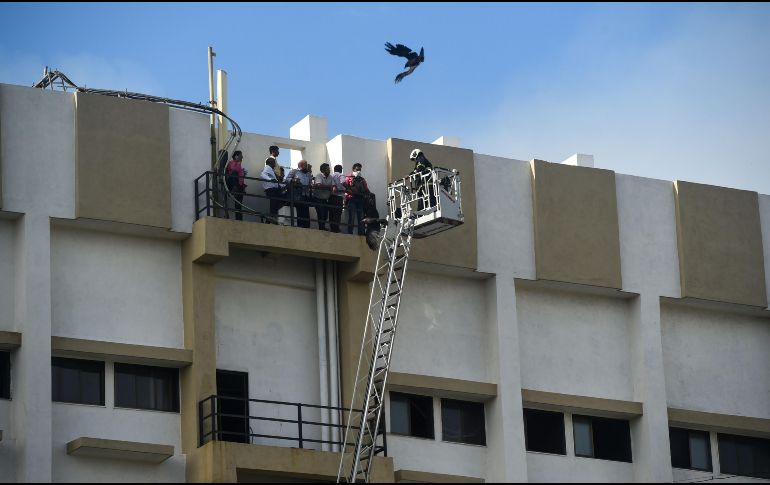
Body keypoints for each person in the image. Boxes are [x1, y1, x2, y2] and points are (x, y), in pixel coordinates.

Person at [283, 160, 314, 228]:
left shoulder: (308, 174)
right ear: (300, 165)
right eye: (305, 165)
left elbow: (310, 183)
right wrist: (294, 180)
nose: (307, 166)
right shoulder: (294, 171)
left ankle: (306, 227)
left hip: (306, 195)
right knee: (299, 212)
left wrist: (311, 186)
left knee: (306, 212)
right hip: (297, 195)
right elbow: (287, 180)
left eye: (306, 165)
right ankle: (300, 227)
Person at [344, 163, 369, 235]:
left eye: (360, 170)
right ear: (353, 169)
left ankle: (361, 234)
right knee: (351, 217)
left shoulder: (362, 179)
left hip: (360, 200)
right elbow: (345, 187)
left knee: (361, 218)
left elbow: (366, 189)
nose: (359, 171)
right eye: (357, 169)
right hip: (351, 199)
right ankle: (350, 233)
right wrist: (351, 191)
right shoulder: (348, 178)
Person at [261, 155, 284, 224]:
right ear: (271, 162)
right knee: (274, 205)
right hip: (271, 189)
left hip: (274, 189)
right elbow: (262, 175)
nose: (275, 164)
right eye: (274, 162)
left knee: (275, 205)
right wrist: (270, 179)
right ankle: (270, 219)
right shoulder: (267, 168)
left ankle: (270, 219)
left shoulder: (270, 169)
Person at [225, 150, 247, 221]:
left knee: (238, 205)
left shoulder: (239, 165)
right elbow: (234, 170)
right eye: (241, 155)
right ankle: (235, 189)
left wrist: (243, 172)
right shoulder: (232, 163)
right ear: (236, 156)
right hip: (233, 184)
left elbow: (240, 177)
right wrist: (239, 166)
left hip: (239, 186)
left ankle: (239, 220)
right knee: (234, 173)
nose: (242, 157)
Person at [313, 163, 335, 231]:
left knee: (325, 215)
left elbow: (333, 186)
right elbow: (318, 185)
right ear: (323, 170)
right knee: (321, 214)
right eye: (328, 169)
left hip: (325, 199)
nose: (329, 170)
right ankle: (321, 228)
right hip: (318, 199)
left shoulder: (330, 177)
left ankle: (322, 227)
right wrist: (328, 187)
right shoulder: (319, 176)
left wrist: (332, 189)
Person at [329, 164, 345, 233]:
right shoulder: (341, 175)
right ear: (341, 169)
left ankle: (332, 228)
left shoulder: (331, 176)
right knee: (337, 213)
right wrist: (347, 189)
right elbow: (343, 182)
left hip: (331, 197)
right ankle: (336, 229)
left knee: (331, 213)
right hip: (339, 197)